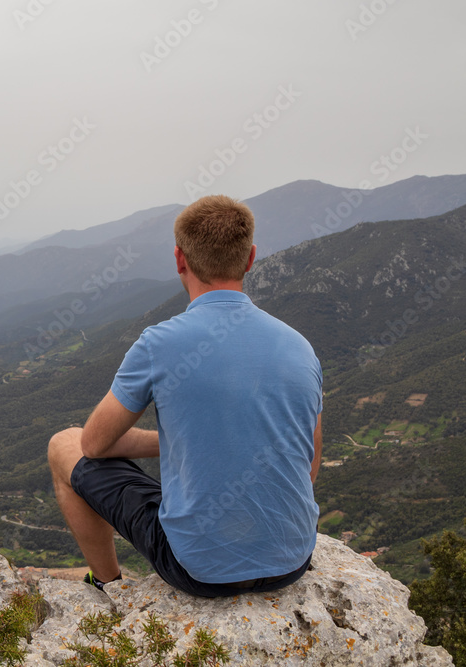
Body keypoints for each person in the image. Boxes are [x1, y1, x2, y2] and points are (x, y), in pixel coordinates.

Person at [48, 194, 322, 598]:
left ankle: (107, 584)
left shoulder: (159, 344)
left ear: (179, 259)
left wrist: (170, 443)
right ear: (250, 259)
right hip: (292, 561)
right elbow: (309, 462)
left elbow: (95, 443)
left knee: (64, 445)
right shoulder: (300, 347)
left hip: (198, 572)